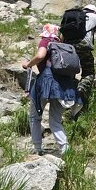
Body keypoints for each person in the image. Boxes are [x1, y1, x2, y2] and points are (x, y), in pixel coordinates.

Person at [20, 23, 76, 155]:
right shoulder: (65, 46)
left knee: (35, 117)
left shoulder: (46, 41)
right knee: (55, 120)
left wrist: (28, 64)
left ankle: (38, 148)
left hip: (45, 82)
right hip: (63, 85)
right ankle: (65, 149)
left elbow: (40, 56)